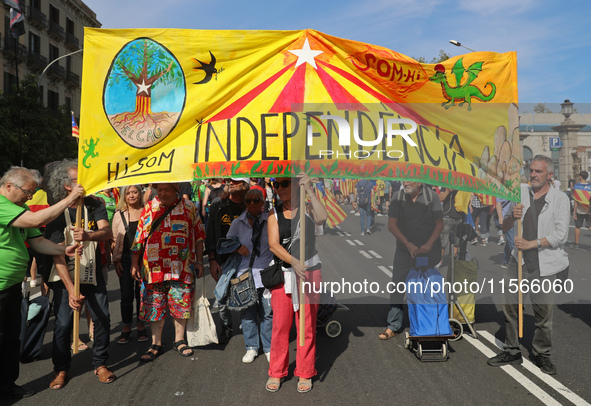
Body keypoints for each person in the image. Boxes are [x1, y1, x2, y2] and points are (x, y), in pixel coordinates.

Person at [0, 166, 83, 400]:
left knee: (11, 338)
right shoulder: (2, 205)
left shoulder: (19, 207)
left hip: (12, 286)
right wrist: (70, 198)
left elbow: (37, 242)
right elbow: (38, 219)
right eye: (28, 191)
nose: (30, 196)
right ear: (9, 186)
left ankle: (7, 386)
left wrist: (62, 249)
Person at [487, 155, 569, 375]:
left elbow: (561, 235)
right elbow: (504, 226)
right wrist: (512, 217)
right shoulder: (520, 193)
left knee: (543, 313)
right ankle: (512, 349)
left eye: (538, 171)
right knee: (511, 305)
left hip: (546, 264)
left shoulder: (560, 199)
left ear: (549, 175)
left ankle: (542, 354)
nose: (533, 174)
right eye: (531, 170)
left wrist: (531, 243)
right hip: (518, 261)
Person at [44, 160, 114, 389]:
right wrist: (72, 291)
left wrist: (89, 235)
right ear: (66, 185)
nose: (83, 182)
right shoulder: (57, 210)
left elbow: (107, 232)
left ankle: (100, 363)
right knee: (63, 324)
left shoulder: (95, 204)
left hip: (93, 273)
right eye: (77, 179)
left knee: (102, 317)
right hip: (65, 277)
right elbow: (57, 255)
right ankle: (61, 369)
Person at [265, 173, 327, 393]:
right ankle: (276, 371)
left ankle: (305, 371)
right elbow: (273, 244)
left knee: (306, 325)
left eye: (284, 184)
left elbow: (322, 218)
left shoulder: (308, 208)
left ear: (296, 185)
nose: (279, 188)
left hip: (310, 273)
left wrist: (309, 189)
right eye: (276, 184)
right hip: (285, 275)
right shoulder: (273, 213)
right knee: (280, 326)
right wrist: (293, 261)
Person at [131, 183, 205, 361]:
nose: (162, 193)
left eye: (167, 190)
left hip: (181, 266)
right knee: (154, 304)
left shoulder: (189, 208)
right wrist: (134, 262)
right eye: (160, 190)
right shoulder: (150, 207)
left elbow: (199, 235)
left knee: (180, 302)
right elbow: (139, 237)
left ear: (176, 190)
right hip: (154, 268)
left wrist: (200, 261)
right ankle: (155, 343)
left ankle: (179, 340)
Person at [379, 181, 443, 340]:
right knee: (398, 285)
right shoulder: (397, 197)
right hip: (405, 250)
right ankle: (393, 325)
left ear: (420, 182)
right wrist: (407, 244)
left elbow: (439, 224)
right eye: (404, 179)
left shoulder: (431, 196)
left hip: (427, 251)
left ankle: (430, 323)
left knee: (425, 286)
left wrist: (428, 245)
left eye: (410, 180)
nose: (405, 182)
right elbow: (392, 225)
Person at [225, 188, 273, 364]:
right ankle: (251, 347)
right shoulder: (238, 223)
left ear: (262, 203)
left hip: (267, 273)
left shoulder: (271, 220)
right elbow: (227, 242)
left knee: (268, 312)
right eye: (249, 201)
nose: (251, 203)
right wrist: (237, 247)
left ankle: (268, 347)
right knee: (247, 313)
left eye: (255, 200)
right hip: (244, 273)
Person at [206, 178, 249, 343]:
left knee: (246, 293)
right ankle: (226, 326)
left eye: (236, 181)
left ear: (244, 185)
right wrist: (212, 260)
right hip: (222, 259)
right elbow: (210, 234)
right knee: (222, 295)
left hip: (245, 258)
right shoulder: (218, 204)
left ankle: (248, 325)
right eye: (229, 180)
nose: (231, 183)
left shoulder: (249, 204)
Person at [111, 185, 148, 344]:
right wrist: (116, 260)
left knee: (142, 293)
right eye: (128, 193)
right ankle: (126, 326)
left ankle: (140, 325)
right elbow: (113, 239)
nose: (132, 196)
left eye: (135, 192)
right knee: (126, 295)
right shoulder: (118, 214)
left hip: (145, 259)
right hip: (125, 259)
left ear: (140, 194)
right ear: (124, 196)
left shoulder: (148, 212)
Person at [438, 187, 463, 267]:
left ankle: (453, 260)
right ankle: (439, 261)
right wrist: (448, 191)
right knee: (443, 241)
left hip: (459, 216)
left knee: (457, 241)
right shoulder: (445, 185)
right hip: (447, 216)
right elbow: (440, 198)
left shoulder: (463, 186)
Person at [572, 171, 591, 250]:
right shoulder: (590, 186)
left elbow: (576, 200)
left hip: (580, 210)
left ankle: (576, 245)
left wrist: (574, 212)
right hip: (589, 210)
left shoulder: (576, 187)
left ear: (580, 177)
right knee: (590, 226)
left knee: (577, 226)